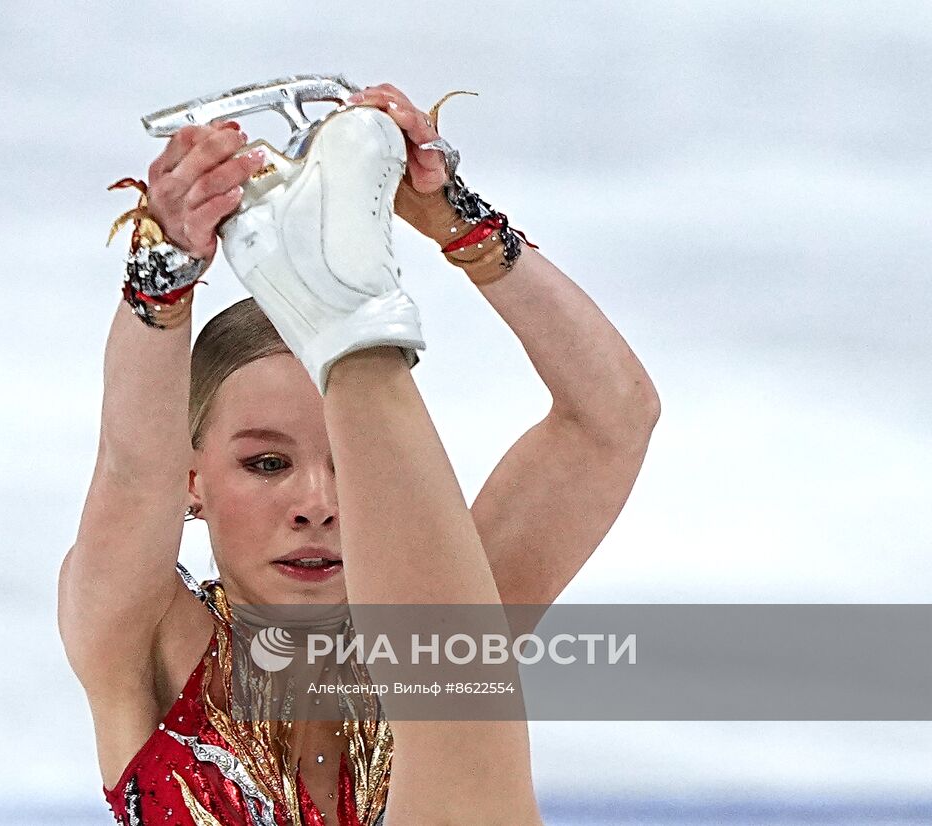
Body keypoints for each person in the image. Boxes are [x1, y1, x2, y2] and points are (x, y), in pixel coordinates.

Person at [58, 82, 660, 825]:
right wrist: (162, 278)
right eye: (266, 464)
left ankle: (348, 318)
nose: (318, 504)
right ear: (193, 481)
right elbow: (129, 470)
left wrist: (458, 220)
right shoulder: (143, 636)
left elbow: (612, 418)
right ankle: (355, 323)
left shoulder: (458, 604)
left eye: (353, 464)